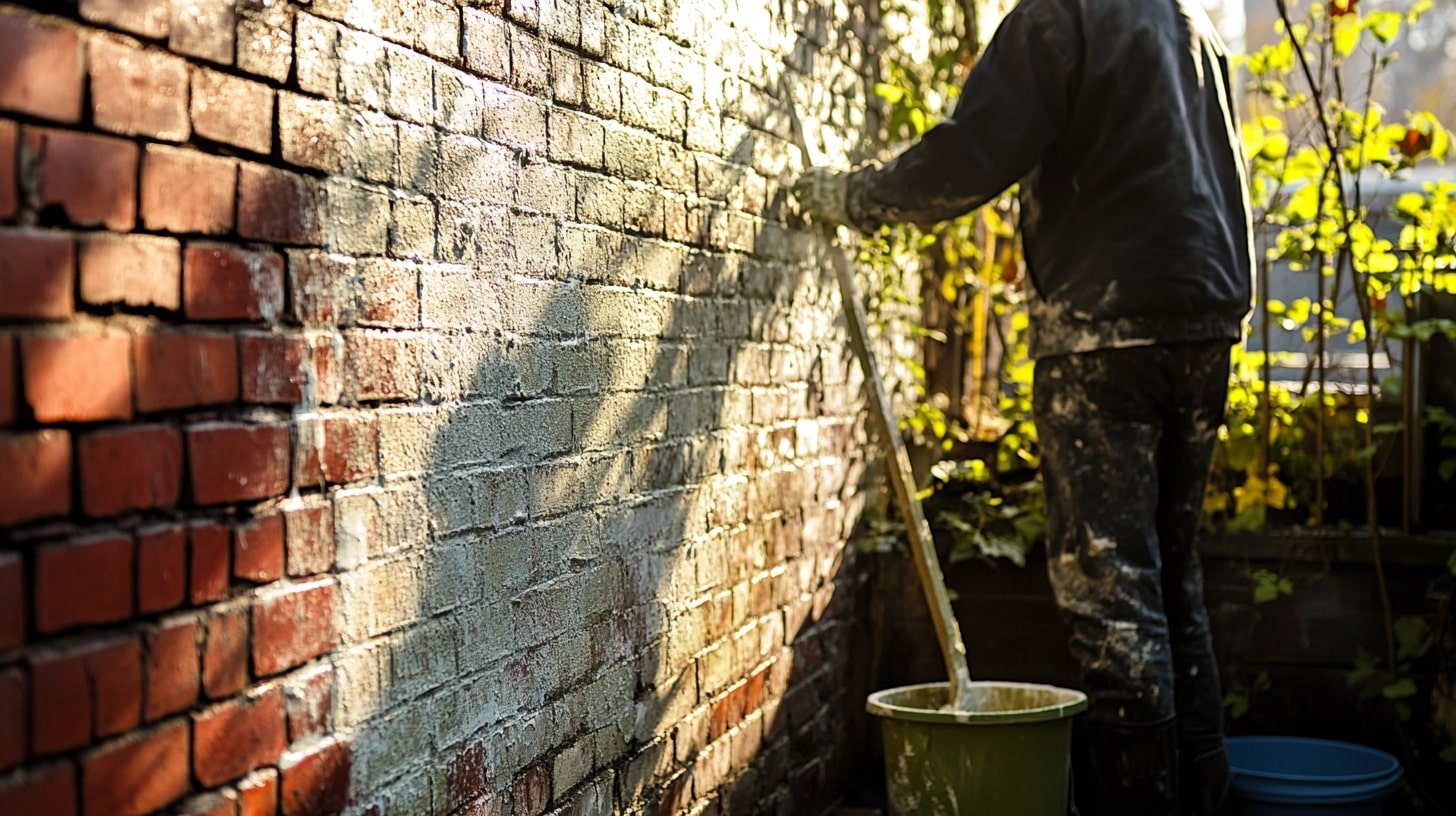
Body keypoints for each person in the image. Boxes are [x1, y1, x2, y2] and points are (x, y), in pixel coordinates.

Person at [792, 0, 1254, 812]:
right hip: (1206, 324)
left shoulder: (1061, 13)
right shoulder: (1192, 24)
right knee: (1174, 585)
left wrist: (851, 198)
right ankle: (1203, 799)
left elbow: (972, 156)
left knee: (1113, 601)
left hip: (1104, 333)